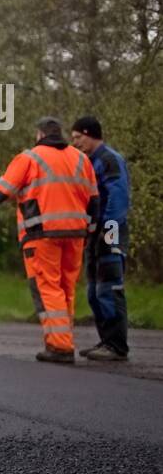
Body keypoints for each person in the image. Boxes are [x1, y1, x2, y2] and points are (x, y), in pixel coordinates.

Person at [0, 117, 98, 363]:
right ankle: (61, 341)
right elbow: (94, 200)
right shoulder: (81, 159)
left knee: (48, 288)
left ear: (39, 134)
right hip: (76, 234)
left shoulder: (30, 158)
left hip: (42, 235)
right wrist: (91, 230)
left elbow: (0, 190)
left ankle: (60, 347)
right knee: (65, 290)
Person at [70, 115, 131, 360]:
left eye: (78, 137)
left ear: (90, 134)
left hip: (110, 231)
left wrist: (108, 231)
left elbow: (118, 198)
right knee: (94, 291)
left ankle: (117, 346)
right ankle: (106, 341)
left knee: (109, 288)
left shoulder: (109, 160)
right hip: (94, 233)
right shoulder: (88, 162)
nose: (74, 143)